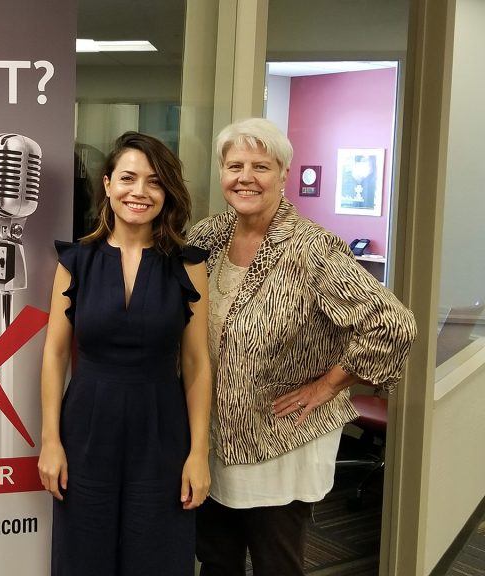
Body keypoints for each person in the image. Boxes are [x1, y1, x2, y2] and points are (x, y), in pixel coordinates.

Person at [187, 117, 416, 576]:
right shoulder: (205, 237)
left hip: (279, 437)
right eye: (235, 166)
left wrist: (328, 385)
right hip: (211, 433)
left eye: (261, 166)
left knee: (276, 562)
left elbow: (392, 325)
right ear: (221, 172)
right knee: (216, 559)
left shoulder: (312, 249)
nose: (246, 177)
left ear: (284, 175)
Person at [38, 132, 212, 575]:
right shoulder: (76, 261)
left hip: (161, 431)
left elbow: (196, 363)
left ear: (167, 192)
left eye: (154, 182)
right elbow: (55, 355)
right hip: (87, 429)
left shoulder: (189, 266)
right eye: (129, 178)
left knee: (157, 557)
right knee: (84, 557)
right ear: (108, 184)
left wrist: (199, 452)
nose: (140, 192)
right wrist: (51, 441)